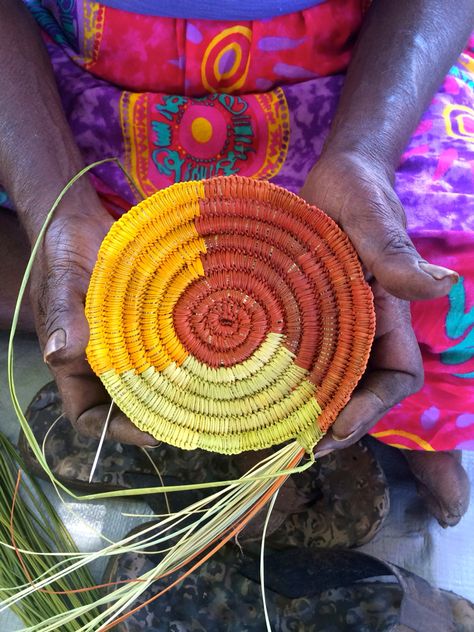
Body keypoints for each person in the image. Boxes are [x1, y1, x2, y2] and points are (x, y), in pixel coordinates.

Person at [0, 0, 473, 527]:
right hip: (78, 77)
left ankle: (419, 426)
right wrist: (55, 204)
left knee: (445, 287)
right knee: (91, 290)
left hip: (360, 71)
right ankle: (242, 419)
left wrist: (366, 152)